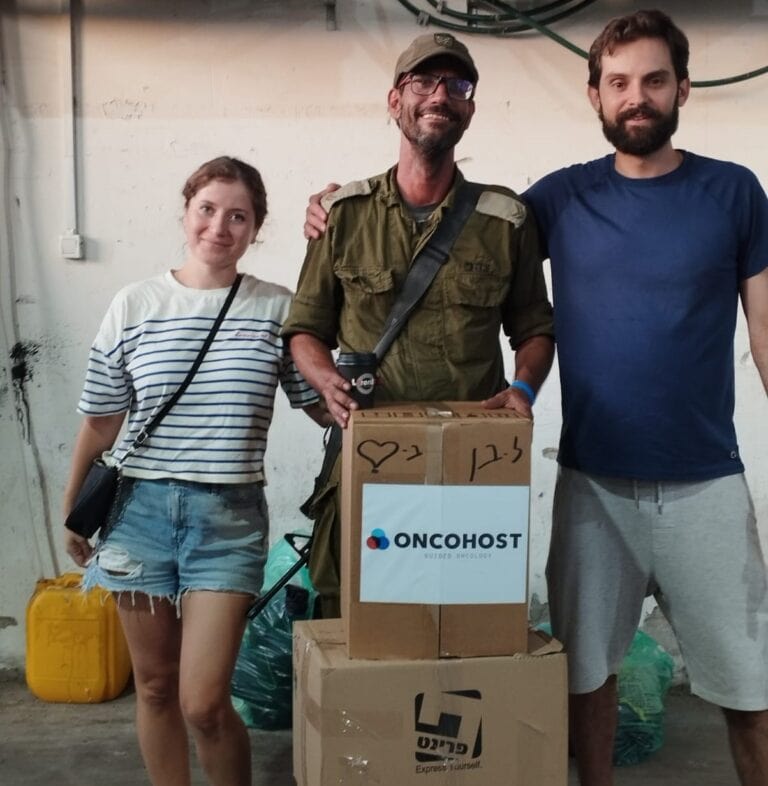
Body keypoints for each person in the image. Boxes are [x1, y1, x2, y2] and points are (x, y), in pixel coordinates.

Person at [303, 11, 768, 786]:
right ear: (595, 95)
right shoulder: (560, 198)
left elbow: (765, 336)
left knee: (751, 690)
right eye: (619, 83)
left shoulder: (735, 193)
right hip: (594, 485)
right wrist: (333, 204)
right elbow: (453, 226)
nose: (637, 97)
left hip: (708, 483)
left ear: (683, 88)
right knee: (585, 676)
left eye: (654, 80)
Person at [63, 156, 328, 786]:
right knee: (155, 687)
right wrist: (73, 509)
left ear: (255, 228)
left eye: (238, 216)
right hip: (137, 516)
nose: (219, 226)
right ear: (186, 212)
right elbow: (101, 421)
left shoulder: (277, 309)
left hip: (227, 522)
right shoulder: (135, 304)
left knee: (204, 702)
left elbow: (320, 403)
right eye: (207, 209)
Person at [282, 32, 555, 617]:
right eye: (422, 82)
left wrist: (524, 388)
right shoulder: (343, 215)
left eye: (457, 85)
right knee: (356, 617)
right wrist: (325, 380)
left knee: (469, 617)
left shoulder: (505, 219)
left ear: (470, 109)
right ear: (394, 101)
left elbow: (535, 327)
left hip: (472, 463)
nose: (440, 95)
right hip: (369, 455)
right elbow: (305, 327)